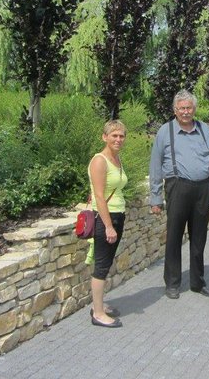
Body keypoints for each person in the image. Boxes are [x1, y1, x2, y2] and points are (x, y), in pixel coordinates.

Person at [150, 90, 209, 299]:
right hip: (177, 188)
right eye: (182, 108)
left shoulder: (204, 129)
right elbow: (155, 165)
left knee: (199, 238)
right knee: (174, 237)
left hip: (203, 189)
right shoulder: (165, 131)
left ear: (194, 109)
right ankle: (172, 283)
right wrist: (155, 197)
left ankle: (198, 282)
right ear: (175, 110)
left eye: (189, 108)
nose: (186, 112)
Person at [88, 119, 128, 327]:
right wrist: (109, 226)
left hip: (117, 215)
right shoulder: (100, 161)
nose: (118, 139)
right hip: (106, 219)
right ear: (105, 137)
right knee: (102, 266)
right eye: (114, 135)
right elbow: (99, 196)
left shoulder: (116, 159)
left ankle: (100, 305)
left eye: (121, 136)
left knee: (107, 262)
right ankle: (98, 313)